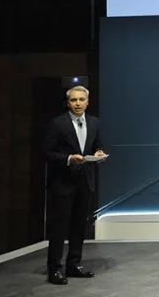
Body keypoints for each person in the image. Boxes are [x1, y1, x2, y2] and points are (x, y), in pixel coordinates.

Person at [43, 85, 107, 285]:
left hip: (85, 181)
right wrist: (69, 158)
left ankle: (74, 264)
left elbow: (96, 144)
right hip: (62, 182)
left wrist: (98, 153)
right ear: (68, 102)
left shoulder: (94, 123)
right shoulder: (57, 124)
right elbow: (46, 153)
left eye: (81, 100)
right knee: (59, 228)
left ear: (87, 102)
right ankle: (54, 269)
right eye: (73, 100)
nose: (78, 103)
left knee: (79, 226)